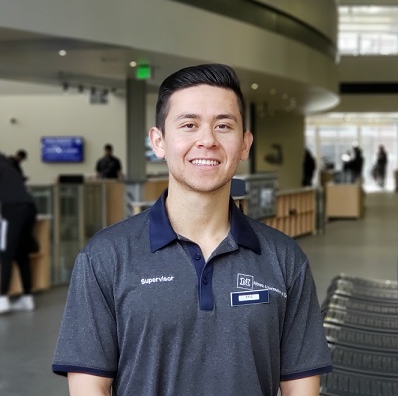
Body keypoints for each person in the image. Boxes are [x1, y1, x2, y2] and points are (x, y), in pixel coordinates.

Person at [52, 63, 332, 395]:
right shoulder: (105, 258)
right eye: (189, 124)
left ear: (245, 144)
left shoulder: (285, 259)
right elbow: (90, 388)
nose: (207, 140)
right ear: (159, 141)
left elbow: (300, 388)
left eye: (223, 125)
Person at [0, 153, 38, 313]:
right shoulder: (8, 163)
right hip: (29, 207)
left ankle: (2, 298)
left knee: (6, 253)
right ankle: (27, 298)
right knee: (21, 254)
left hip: (12, 208)